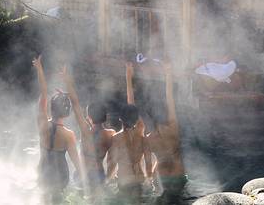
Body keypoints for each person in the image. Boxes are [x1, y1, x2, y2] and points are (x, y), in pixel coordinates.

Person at [33, 55, 82, 204]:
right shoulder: (69, 135)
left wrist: (39, 69)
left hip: (43, 173)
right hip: (60, 178)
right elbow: (77, 163)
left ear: (51, 108)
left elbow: (43, 94)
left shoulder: (42, 123)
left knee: (43, 198)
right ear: (67, 113)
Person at [61, 66, 115, 198]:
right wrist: (108, 178)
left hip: (82, 174)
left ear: (89, 117)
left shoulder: (85, 131)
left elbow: (75, 104)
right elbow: (112, 160)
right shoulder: (111, 134)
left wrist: (67, 81)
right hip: (98, 175)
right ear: (105, 117)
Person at [107, 63, 154, 204]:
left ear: (120, 119)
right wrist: (149, 179)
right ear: (136, 118)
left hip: (124, 180)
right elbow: (149, 164)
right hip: (139, 180)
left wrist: (107, 180)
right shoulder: (142, 136)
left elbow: (111, 163)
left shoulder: (116, 138)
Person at [147, 62, 187, 204]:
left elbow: (148, 162)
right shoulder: (173, 128)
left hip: (161, 174)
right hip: (178, 171)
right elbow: (170, 100)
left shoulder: (150, 138)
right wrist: (168, 74)